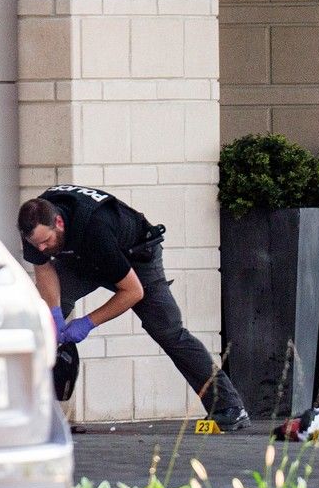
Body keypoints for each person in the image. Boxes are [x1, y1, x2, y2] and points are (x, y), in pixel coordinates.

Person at [17, 184, 250, 431]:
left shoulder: (95, 228)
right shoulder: (34, 223)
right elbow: (44, 270)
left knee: (168, 331)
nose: (42, 248)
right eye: (37, 244)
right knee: (37, 319)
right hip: (82, 262)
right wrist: (53, 314)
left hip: (135, 258)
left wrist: (87, 322)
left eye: (46, 241)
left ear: (59, 223)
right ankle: (31, 412)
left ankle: (229, 408)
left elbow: (133, 291)